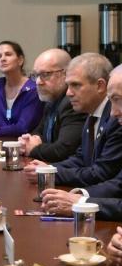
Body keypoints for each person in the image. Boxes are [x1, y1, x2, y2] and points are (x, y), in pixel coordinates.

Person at [24, 53, 122, 191]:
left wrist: (52, 175)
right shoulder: (92, 112)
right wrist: (49, 169)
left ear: (100, 86)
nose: (69, 93)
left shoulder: (116, 119)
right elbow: (81, 157)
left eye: (75, 85)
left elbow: (102, 172)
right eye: (68, 85)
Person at [40, 64, 122, 219]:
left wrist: (81, 203)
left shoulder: (113, 123)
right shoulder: (91, 115)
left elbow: (102, 173)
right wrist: (81, 195)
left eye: (117, 100)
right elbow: (119, 183)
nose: (113, 112)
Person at [18, 48, 86, 162]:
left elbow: (63, 150)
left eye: (45, 74)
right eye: (35, 75)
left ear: (66, 73)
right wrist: (29, 140)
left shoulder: (72, 103)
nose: (38, 81)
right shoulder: (51, 99)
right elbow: (39, 131)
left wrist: (32, 148)